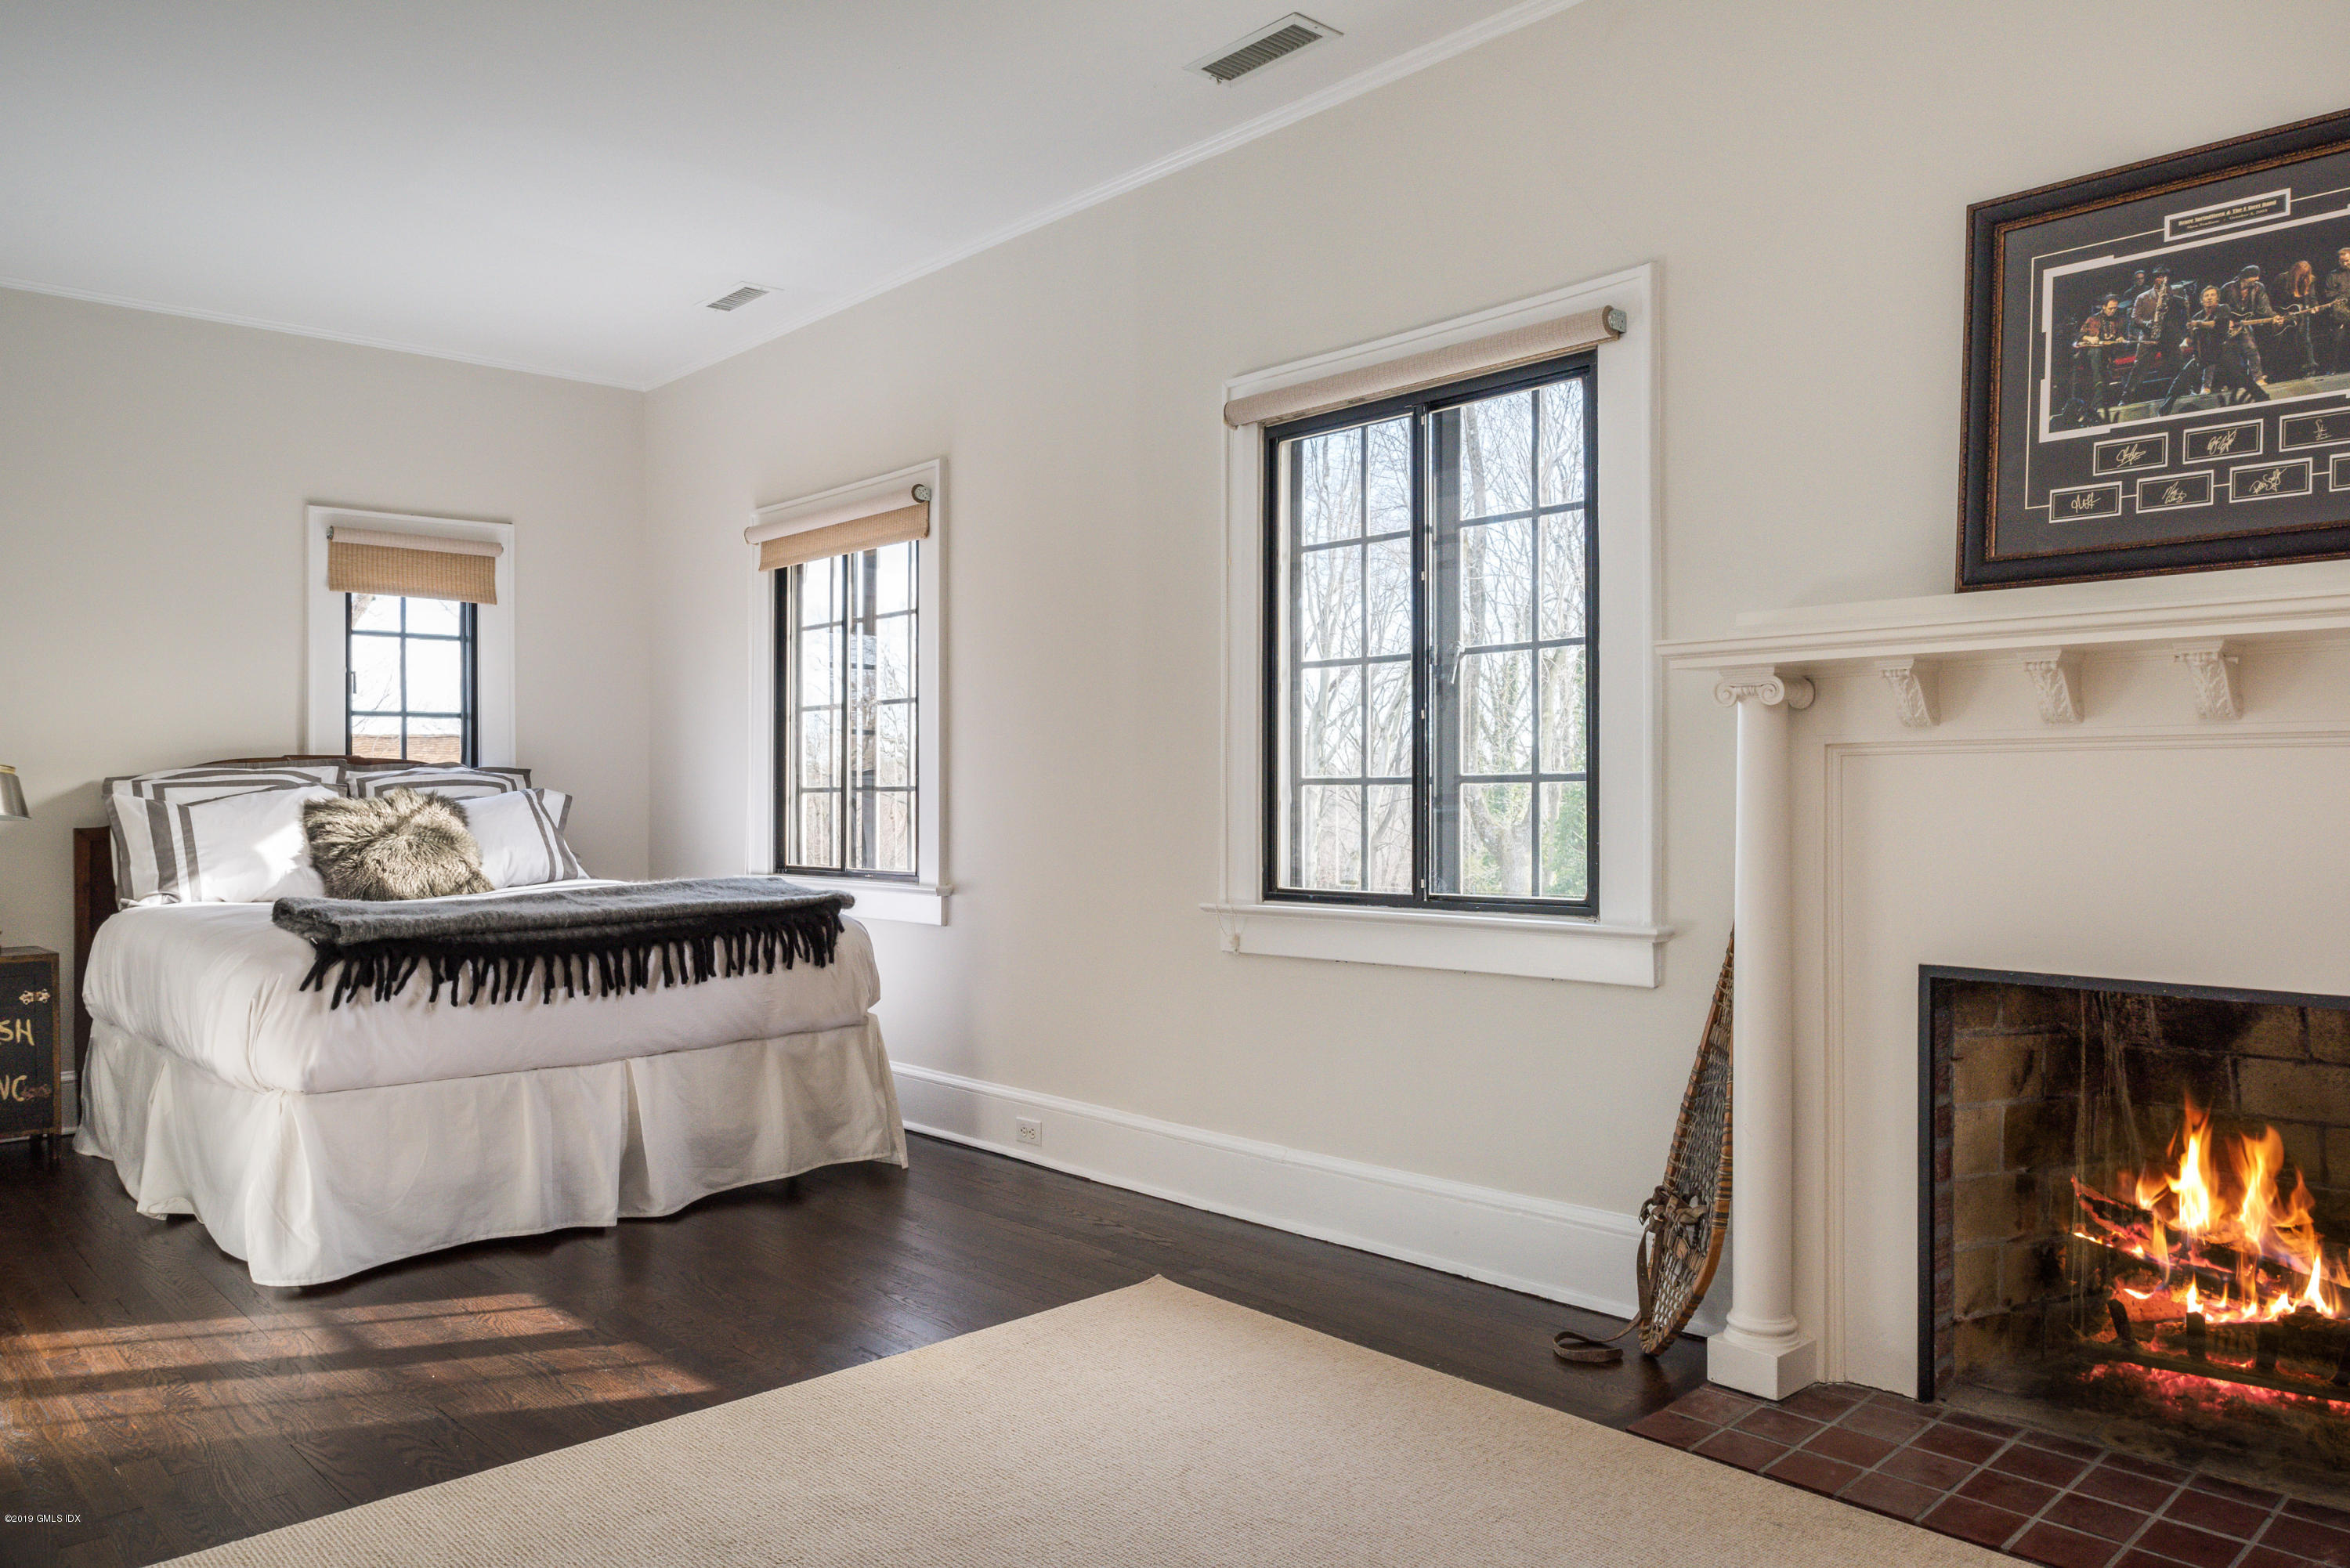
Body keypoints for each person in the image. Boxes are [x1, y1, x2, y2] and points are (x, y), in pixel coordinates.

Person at [2173, 284, 2271, 409]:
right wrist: (2184, 343)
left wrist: (2198, 324)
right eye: (2206, 296)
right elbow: (2191, 336)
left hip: (2229, 341)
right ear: (2201, 300)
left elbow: (2216, 324)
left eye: (2212, 295)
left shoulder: (2223, 308)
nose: (2209, 298)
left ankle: (2258, 380)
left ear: (2217, 298)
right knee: (2202, 361)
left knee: (2250, 349)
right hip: (2212, 348)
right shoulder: (2197, 316)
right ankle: (2205, 387)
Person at [2059, 295, 2128, 425]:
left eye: (2115, 308)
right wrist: (2088, 338)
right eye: (2110, 308)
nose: (2112, 311)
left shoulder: (2118, 321)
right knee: (2096, 358)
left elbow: (2119, 336)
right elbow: (2079, 336)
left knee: (2104, 377)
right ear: (2104, 307)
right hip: (2090, 355)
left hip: (2107, 355)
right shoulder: (2093, 319)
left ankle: (2098, 405)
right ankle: (2097, 398)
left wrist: (2120, 339)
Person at [2122, 264, 2186, 404]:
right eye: (2158, 276)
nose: (2161, 279)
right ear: (2154, 279)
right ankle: (2127, 397)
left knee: (2178, 364)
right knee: (2139, 368)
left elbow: (2182, 311)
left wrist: (2174, 298)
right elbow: (2134, 319)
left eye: (2164, 276)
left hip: (2168, 335)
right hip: (2149, 336)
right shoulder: (2143, 297)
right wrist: (2148, 324)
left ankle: (2185, 390)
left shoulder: (2173, 293)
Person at [2218, 264, 2280, 383]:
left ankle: (2258, 379)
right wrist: (2226, 321)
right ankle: (2231, 383)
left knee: (2252, 350)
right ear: (2244, 277)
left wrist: (2274, 316)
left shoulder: (2258, 288)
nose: (2257, 279)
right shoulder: (2227, 288)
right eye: (2254, 277)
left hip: (2245, 324)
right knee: (2229, 355)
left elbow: (2264, 307)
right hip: (2227, 327)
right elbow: (2218, 308)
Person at [2274, 259, 2321, 380]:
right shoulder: (2282, 278)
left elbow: (2312, 296)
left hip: (2302, 313)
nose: (2303, 277)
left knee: (2305, 339)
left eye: (2305, 275)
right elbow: (2274, 296)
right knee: (2285, 341)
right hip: (2285, 312)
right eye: (2301, 275)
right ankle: (2286, 371)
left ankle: (2310, 367)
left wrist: (2314, 305)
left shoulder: (2310, 279)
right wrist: (2279, 312)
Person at [2324, 246, 2350, 374]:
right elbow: (2328, 294)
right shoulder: (2333, 275)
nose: (2345, 264)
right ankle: (2332, 369)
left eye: (2347, 261)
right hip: (2341, 313)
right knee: (2337, 341)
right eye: (2342, 262)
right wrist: (2344, 294)